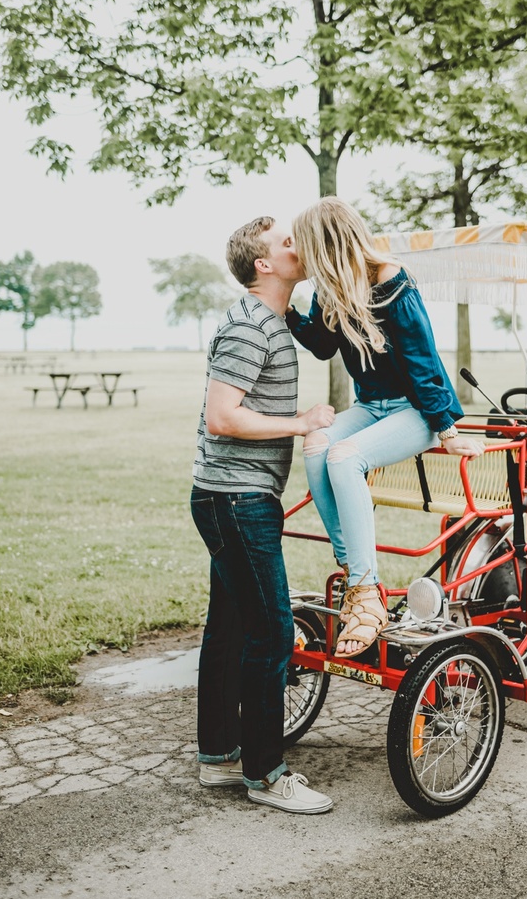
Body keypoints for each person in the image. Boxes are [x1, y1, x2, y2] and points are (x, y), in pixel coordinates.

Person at [287, 197, 477, 660]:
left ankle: (363, 586)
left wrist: (446, 430)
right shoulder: (332, 287)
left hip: (416, 411)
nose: (301, 256)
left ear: (325, 244)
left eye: (305, 246)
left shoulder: (389, 279)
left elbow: (422, 358)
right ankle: (357, 570)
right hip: (372, 406)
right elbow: (322, 346)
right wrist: (290, 310)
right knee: (316, 445)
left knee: (344, 456)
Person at [194, 216, 338, 814]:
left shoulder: (273, 321)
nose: (297, 246)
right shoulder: (253, 325)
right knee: (273, 630)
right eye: (287, 242)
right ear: (263, 264)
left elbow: (329, 337)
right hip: (237, 499)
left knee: (230, 628)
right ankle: (267, 775)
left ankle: (219, 759)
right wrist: (301, 423)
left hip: (230, 496)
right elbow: (222, 416)